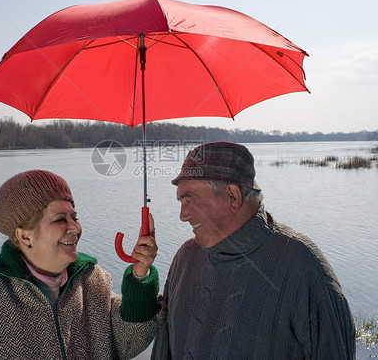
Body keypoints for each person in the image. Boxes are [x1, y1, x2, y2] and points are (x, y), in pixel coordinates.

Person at [151, 142, 356, 359]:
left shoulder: (303, 265)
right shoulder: (186, 258)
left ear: (232, 196)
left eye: (189, 200)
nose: (182, 215)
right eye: (181, 201)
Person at [0, 169, 163, 359]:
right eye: (60, 220)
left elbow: (129, 341)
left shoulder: (92, 280)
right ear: (24, 236)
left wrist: (140, 274)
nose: (75, 227)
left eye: (75, 216)